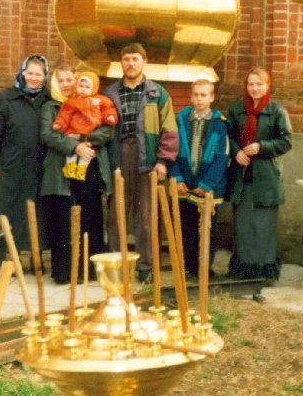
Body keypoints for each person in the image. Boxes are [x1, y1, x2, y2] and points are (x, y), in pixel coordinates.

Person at [103, 43, 179, 282]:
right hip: (118, 157)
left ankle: (145, 267)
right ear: (121, 62)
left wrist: (163, 160)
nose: (131, 64)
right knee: (116, 215)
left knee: (146, 217)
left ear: (144, 62)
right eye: (126, 59)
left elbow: (169, 128)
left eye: (135, 59)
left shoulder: (157, 93)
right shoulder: (109, 94)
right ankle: (117, 265)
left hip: (147, 158)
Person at [40, 65, 114, 283]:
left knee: (90, 217)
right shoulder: (50, 107)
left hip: (89, 166)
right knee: (63, 220)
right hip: (60, 171)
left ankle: (89, 270)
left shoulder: (95, 101)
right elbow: (47, 134)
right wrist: (74, 147)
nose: (66, 84)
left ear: (77, 80)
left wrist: (83, 141)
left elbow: (107, 130)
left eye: (69, 80)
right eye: (61, 80)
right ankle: (64, 272)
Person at [226, 67, 293, 283]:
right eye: (251, 84)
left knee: (264, 226)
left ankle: (264, 272)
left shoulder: (277, 111)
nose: (255, 88)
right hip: (241, 175)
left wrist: (261, 146)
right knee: (243, 225)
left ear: (267, 86)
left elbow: (286, 141)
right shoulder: (236, 110)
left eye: (259, 84)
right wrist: (236, 152)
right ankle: (244, 271)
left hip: (266, 177)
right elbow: (228, 136)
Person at [0, 54, 51, 255]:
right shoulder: (6, 98)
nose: (33, 78)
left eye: (38, 74)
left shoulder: (48, 100)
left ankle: (35, 255)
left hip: (40, 165)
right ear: (22, 73)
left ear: (45, 76)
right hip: (12, 165)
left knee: (37, 212)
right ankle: (6, 255)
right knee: (9, 209)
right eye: (30, 73)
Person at [171, 79, 230, 280]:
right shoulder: (181, 120)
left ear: (212, 97)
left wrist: (207, 184)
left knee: (207, 228)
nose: (199, 99)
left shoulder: (220, 124)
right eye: (196, 95)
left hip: (208, 186)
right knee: (186, 228)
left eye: (204, 95)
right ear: (191, 96)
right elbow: (173, 150)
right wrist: (177, 177)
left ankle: (204, 268)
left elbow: (222, 157)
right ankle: (188, 267)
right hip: (185, 182)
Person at [52, 71, 118, 181]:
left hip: (90, 132)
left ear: (94, 88)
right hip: (74, 130)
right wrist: (59, 124)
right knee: (71, 153)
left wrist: (110, 117)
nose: (83, 89)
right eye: (81, 86)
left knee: (87, 153)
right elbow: (64, 114)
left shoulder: (100, 100)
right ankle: (70, 168)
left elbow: (108, 108)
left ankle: (81, 170)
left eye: (87, 87)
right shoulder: (72, 101)